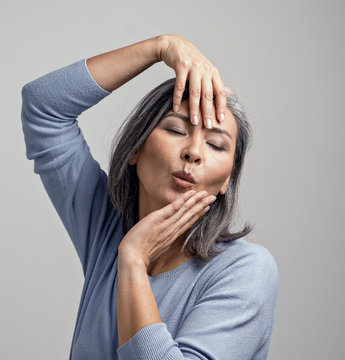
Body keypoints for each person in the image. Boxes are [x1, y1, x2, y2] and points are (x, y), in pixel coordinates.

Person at [21, 34, 278, 360]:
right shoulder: (104, 231)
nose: (194, 153)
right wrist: (161, 47)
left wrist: (133, 262)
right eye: (175, 129)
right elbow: (43, 105)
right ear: (136, 149)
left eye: (215, 145)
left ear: (227, 179)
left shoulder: (246, 270)